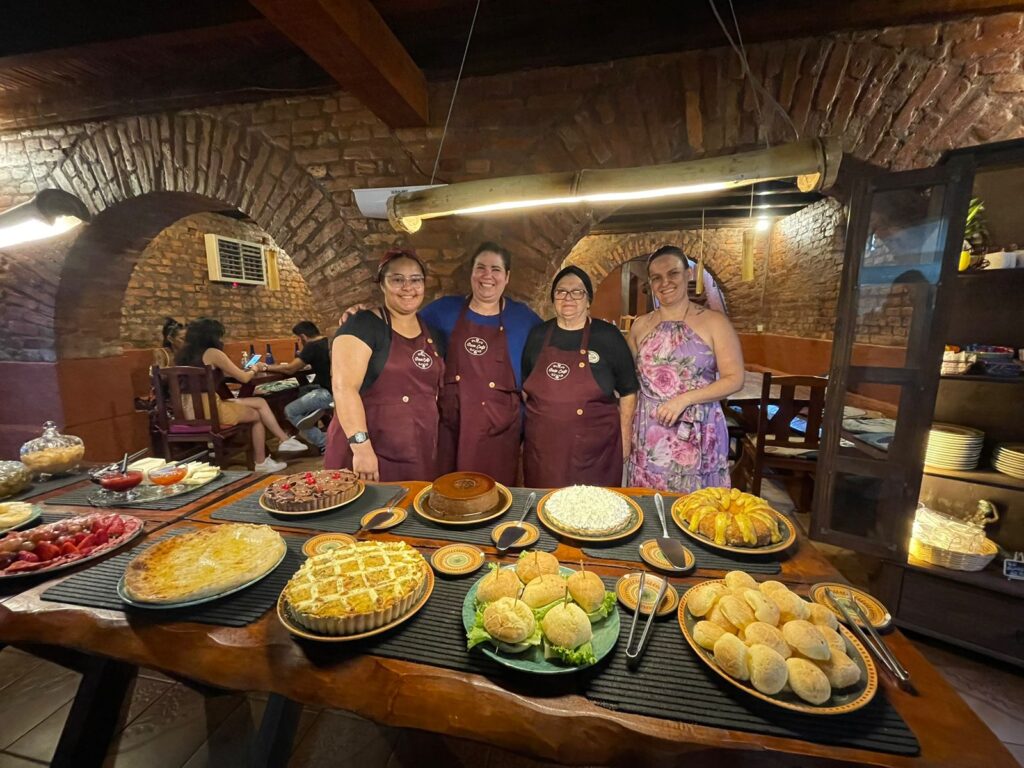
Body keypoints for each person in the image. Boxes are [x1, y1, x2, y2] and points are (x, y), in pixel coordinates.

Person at [340, 242, 541, 485]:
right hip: (450, 430)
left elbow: (550, 351)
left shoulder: (526, 318)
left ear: (507, 277)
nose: (488, 275)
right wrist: (363, 314)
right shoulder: (442, 311)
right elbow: (401, 321)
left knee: (494, 497)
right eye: (481, 267)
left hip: (501, 431)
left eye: (496, 269)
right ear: (471, 273)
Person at [627, 245, 744, 492]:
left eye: (673, 274)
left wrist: (684, 399)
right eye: (656, 278)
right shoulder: (640, 326)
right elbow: (629, 380)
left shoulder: (714, 322)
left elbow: (735, 379)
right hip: (649, 433)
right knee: (650, 505)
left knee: (698, 510)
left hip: (698, 430)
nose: (665, 283)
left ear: (688, 274)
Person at [325, 249, 445, 482]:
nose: (408, 287)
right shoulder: (362, 325)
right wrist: (361, 449)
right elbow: (344, 388)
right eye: (397, 279)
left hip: (415, 450)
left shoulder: (433, 333)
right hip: (370, 451)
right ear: (382, 284)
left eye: (415, 280)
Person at [521, 266, 639, 487]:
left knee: (592, 513)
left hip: (594, 450)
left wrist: (624, 438)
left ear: (588, 300)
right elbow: (527, 389)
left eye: (577, 292)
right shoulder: (538, 335)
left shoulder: (607, 336)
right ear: (553, 298)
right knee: (545, 506)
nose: (568, 297)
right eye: (561, 291)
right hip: (544, 450)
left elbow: (628, 390)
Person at [175, 318, 307, 473]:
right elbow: (244, 378)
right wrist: (255, 368)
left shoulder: (182, 356)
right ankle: (262, 460)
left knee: (258, 401)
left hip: (185, 412)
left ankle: (284, 441)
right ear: (211, 336)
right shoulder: (213, 353)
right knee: (256, 415)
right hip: (209, 411)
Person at [265, 321, 333, 452]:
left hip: (328, 394)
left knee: (290, 411)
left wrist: (266, 366)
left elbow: (290, 369)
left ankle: (324, 442)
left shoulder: (311, 346)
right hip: (334, 389)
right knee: (301, 390)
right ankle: (310, 414)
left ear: (303, 336)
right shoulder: (327, 341)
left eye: (298, 338)